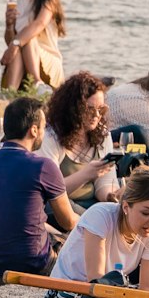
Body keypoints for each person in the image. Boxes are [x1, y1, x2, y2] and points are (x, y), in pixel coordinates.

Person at [38, 169, 149, 298]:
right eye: (146, 212)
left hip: (107, 296)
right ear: (126, 207)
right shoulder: (100, 215)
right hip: (66, 295)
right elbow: (96, 280)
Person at [0, 97, 79, 279]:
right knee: (77, 242)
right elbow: (68, 221)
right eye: (44, 128)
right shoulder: (43, 166)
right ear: (34, 130)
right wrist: (90, 221)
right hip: (32, 261)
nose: (44, 133)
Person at [41, 71, 116, 206]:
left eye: (101, 109)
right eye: (89, 109)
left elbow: (104, 183)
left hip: (92, 203)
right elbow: (49, 191)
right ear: (72, 109)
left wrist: (111, 196)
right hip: (58, 205)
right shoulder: (51, 136)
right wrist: (87, 174)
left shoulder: (102, 134)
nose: (97, 115)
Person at [1, 0, 67, 91]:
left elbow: (39, 24)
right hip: (21, 61)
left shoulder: (48, 1)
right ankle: (10, 93)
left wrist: (15, 44)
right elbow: (10, 41)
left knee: (26, 39)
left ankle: (37, 83)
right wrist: (9, 25)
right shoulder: (17, 0)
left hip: (48, 61)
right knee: (19, 44)